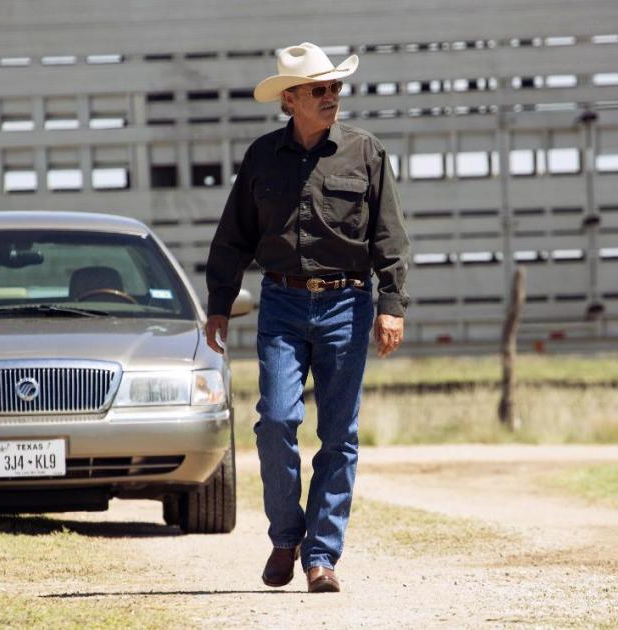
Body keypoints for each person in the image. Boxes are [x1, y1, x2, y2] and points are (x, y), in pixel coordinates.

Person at [204, 42, 410, 593]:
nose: (332, 96)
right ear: (290, 100)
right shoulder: (262, 157)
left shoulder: (366, 152)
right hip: (282, 303)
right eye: (320, 89)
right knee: (275, 420)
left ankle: (322, 556)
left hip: (347, 304)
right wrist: (219, 305)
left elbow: (389, 237)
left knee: (339, 435)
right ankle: (284, 537)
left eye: (336, 87)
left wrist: (391, 305)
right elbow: (233, 238)